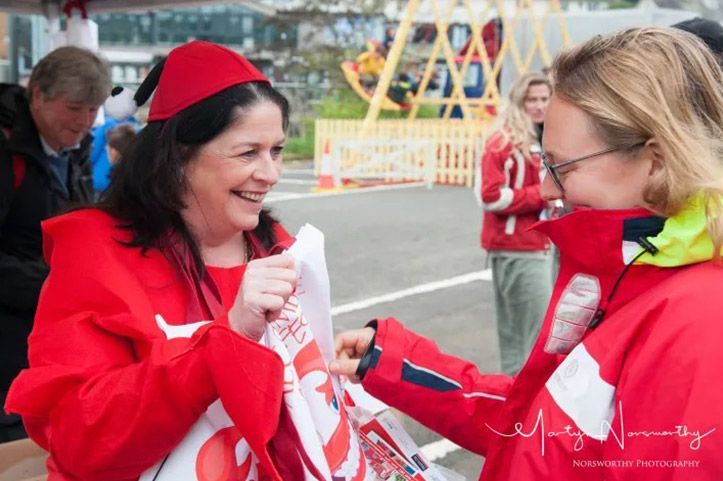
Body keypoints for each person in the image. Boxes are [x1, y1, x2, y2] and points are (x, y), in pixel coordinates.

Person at [331, 27, 723, 480]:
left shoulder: (699, 319)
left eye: (561, 165)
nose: (546, 188)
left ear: (656, 160)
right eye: (545, 161)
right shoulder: (636, 271)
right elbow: (537, 424)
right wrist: (391, 362)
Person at [5, 41, 301, 480]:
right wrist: (222, 344)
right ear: (179, 155)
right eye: (247, 152)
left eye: (275, 150)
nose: (271, 173)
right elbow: (78, 438)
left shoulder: (272, 242)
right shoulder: (96, 249)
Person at [0, 46, 110, 442]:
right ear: (38, 97)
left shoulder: (74, 148)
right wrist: (51, 283)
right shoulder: (8, 153)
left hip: (51, 333)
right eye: (74, 107)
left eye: (93, 109)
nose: (84, 122)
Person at [479, 72, 553, 375]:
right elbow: (489, 196)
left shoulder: (540, 138)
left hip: (538, 246)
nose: (538, 106)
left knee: (524, 335)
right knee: (530, 337)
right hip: (518, 249)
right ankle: (521, 409)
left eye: (544, 99)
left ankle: (514, 405)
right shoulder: (503, 142)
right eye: (531, 99)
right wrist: (542, 195)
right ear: (518, 102)